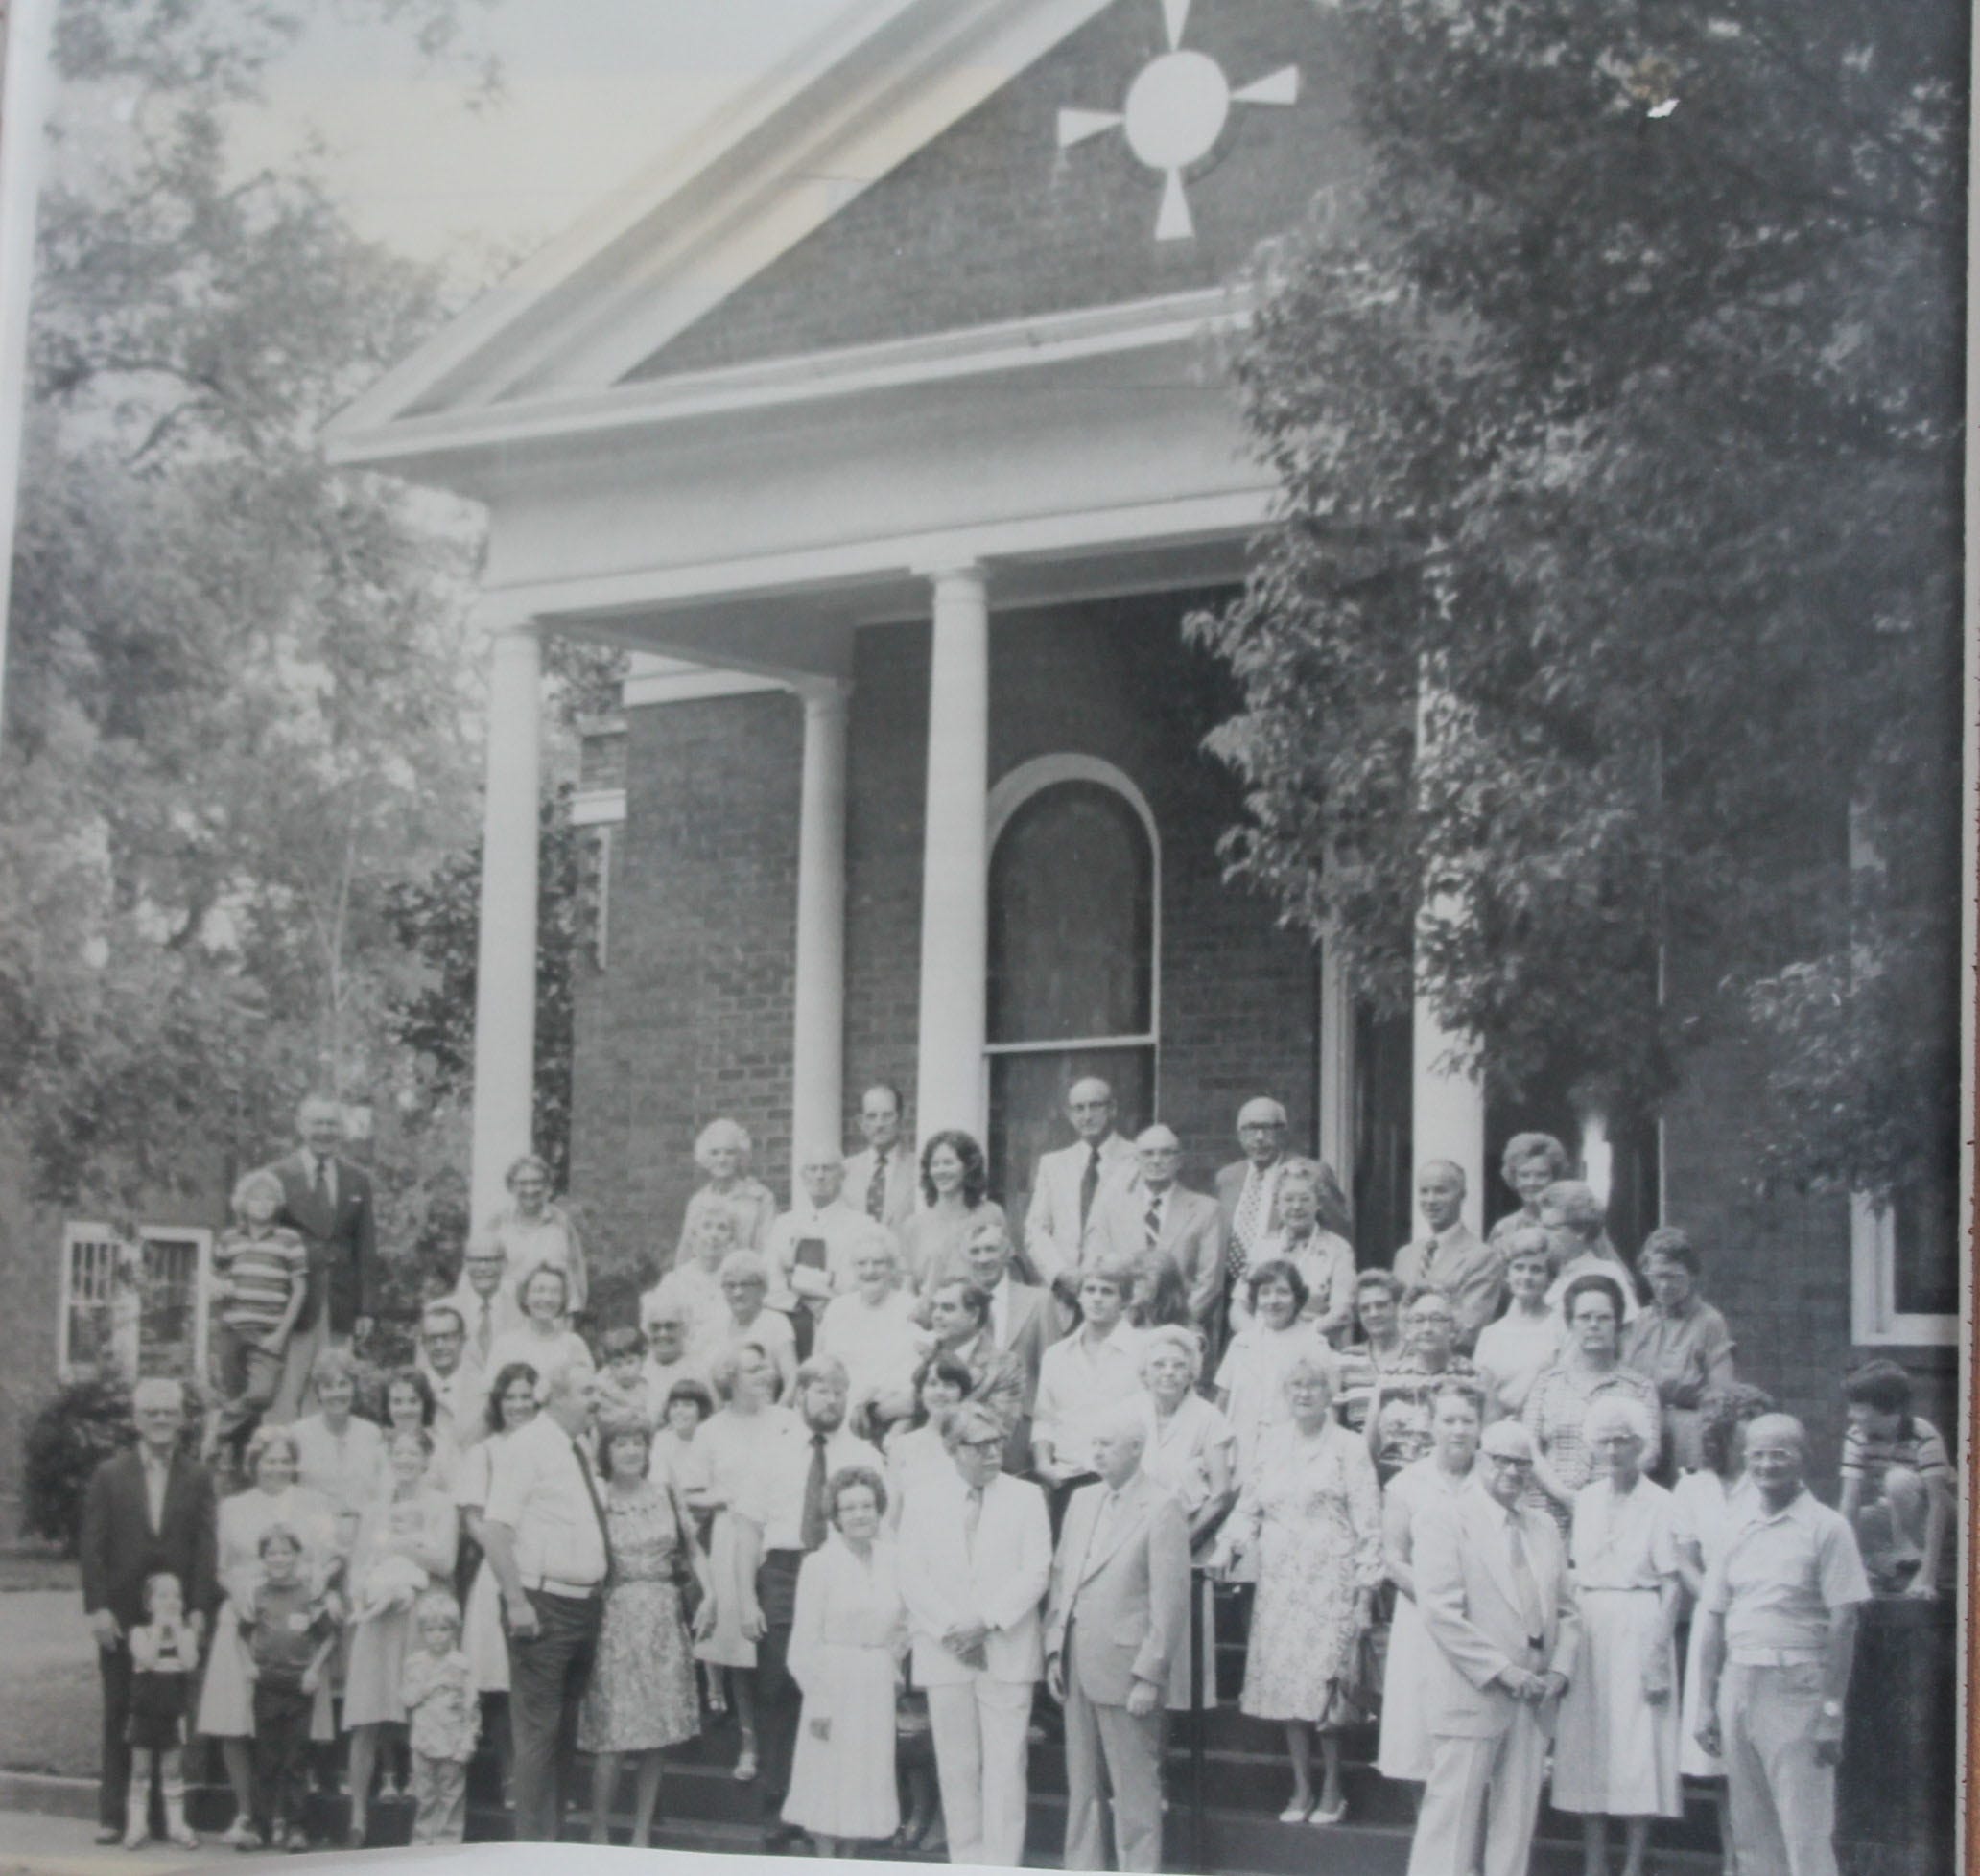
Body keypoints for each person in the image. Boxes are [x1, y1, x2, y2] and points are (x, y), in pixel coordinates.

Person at [1210, 1348, 1381, 1825]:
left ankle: (1332, 1787)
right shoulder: (1272, 1442)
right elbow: (1248, 1508)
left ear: (1330, 1393)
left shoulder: (1348, 1446)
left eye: (1313, 1385)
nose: (1304, 1394)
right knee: (1289, 1689)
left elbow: (1369, 1523)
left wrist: (1365, 1593)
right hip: (1281, 1582)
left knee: (1325, 1688)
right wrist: (1228, 1547)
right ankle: (1301, 1787)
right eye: (1295, 1386)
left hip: (1332, 1581)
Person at [1693, 1415, 1871, 1876]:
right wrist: (1704, 1705)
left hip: (1797, 1686)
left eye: (1779, 1454)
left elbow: (1844, 1622)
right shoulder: (1734, 1526)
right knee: (1752, 1835)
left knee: (1804, 1833)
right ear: (1745, 1458)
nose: (1767, 1464)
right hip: (1739, 1683)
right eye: (1757, 1454)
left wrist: (1831, 1712)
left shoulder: (1827, 1528)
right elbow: (1712, 1616)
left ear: (1802, 1459)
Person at [1403, 1420, 1580, 1876]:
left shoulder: (1542, 1527)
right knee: (1452, 1824)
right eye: (1502, 1459)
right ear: (1481, 1459)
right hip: (1474, 1691)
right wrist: (1504, 1671)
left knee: (1515, 1828)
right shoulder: (1443, 1518)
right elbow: (1441, 1612)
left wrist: (1558, 1671)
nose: (1513, 1471)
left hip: (1534, 1695)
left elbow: (1567, 1610)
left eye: (1522, 1463)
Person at [734, 1355, 883, 1851]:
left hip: (840, 1569)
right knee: (779, 1687)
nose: (831, 1399)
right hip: (781, 1572)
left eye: (839, 1391)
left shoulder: (863, 1453)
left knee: (836, 1692)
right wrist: (744, 1598)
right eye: (821, 1390)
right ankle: (782, 1808)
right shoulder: (769, 1450)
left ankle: (833, 1806)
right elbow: (747, 1527)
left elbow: (881, 1527)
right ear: (800, 1396)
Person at [898, 1401, 1053, 1869]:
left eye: (997, 1443)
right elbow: (911, 1574)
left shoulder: (1027, 1497)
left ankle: (1002, 1864)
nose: (992, 1453)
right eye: (980, 1445)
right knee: (957, 1767)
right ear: (952, 1448)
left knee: (1006, 1769)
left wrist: (984, 1622)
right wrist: (952, 1630)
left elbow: (1036, 1570)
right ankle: (965, 1862)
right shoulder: (923, 1499)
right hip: (946, 1653)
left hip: (1005, 1649)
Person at [1043, 1405, 1190, 1873]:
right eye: (1096, 1444)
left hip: (1127, 1670)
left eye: (1108, 1444)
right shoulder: (1083, 1500)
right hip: (1076, 1663)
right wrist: (1053, 1649)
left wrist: (1150, 1673)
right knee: (1081, 1789)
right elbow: (1063, 1575)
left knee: (1134, 1791)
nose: (1098, 1453)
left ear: (1136, 1448)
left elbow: (1170, 1602)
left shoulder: (1163, 1506)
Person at [79, 1376, 218, 1847]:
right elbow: (92, 1548)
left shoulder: (197, 1477)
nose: (161, 1421)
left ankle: (163, 1816)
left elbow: (205, 1549)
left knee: (170, 1710)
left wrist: (199, 1612)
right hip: (121, 1613)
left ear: (182, 1420)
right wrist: (97, 1608)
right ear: (137, 1420)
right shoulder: (110, 1475)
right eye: (152, 1413)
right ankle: (114, 1814)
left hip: (176, 1618)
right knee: (121, 1706)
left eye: (169, 1412)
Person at [1552, 1395, 1684, 1876]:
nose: (1612, 1450)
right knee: (1588, 1738)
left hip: (1639, 1621)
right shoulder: (1584, 1499)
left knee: (1636, 1743)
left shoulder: (1662, 1502)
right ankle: (1594, 1862)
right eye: (1604, 1440)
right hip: (1589, 1625)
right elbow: (1572, 1573)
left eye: (1622, 1440)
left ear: (1640, 1445)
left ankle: (1632, 1864)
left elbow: (1671, 1583)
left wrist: (1656, 1653)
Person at [481, 1360, 609, 1843]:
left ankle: (551, 1848)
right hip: (543, 1607)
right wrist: (517, 1602)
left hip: (582, 1608)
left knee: (562, 1738)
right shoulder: (526, 1447)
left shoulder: (579, 1448)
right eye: (586, 1390)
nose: (596, 1398)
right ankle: (531, 1854)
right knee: (537, 1738)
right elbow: (495, 1530)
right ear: (555, 1397)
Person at [194, 1426, 340, 1849]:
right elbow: (221, 1566)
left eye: (283, 1460)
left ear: (294, 1463)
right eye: (267, 1460)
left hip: (295, 1619)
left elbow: (330, 1559)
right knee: (236, 1719)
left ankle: (288, 1819)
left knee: (293, 1728)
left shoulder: (315, 1504)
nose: (276, 1468)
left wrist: (317, 1585)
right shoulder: (234, 1507)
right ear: (253, 1464)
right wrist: (236, 1592)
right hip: (245, 1615)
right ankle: (248, 1813)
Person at [578, 1416, 715, 1846]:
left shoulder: (664, 1494)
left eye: (638, 1442)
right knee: (613, 1733)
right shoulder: (598, 1501)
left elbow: (694, 1550)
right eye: (621, 1443)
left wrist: (710, 1594)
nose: (631, 1451)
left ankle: (640, 1834)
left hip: (663, 1615)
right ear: (607, 1451)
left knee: (658, 1731)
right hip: (617, 1620)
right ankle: (599, 1832)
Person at [781, 1466, 909, 1854]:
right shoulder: (819, 1565)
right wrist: (819, 1702)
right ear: (835, 1516)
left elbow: (905, 1621)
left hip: (875, 1681)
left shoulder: (894, 1559)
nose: (860, 1515)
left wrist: (893, 1666)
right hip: (832, 1683)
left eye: (867, 1505)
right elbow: (803, 1644)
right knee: (826, 1775)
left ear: (879, 1509)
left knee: (864, 1779)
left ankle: (850, 1859)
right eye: (849, 1507)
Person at [1673, 1383, 1775, 1873]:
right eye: (1744, 1422)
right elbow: (1684, 1558)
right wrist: (1715, 1602)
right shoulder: (1694, 1486)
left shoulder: (1773, 1482)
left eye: (1758, 1419)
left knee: (1755, 1753)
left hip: (1761, 1624)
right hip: (1714, 1632)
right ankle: (1732, 1862)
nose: (1752, 1432)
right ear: (1722, 1431)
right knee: (1718, 1759)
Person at [343, 1426, 458, 1848]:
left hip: (420, 1613)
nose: (405, 1459)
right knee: (366, 1715)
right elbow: (358, 1563)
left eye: (414, 1453)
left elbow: (444, 1562)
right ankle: (356, 1816)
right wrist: (365, 1590)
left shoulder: (441, 1506)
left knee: (423, 1713)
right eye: (398, 1452)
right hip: (379, 1615)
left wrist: (398, 1548)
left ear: (427, 1460)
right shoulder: (375, 1510)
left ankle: (426, 1821)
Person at [1377, 1382, 1484, 1791]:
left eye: (1467, 1421)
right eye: (1449, 1420)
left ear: (1480, 1427)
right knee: (1420, 1738)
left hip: (1483, 1621)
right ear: (1432, 1425)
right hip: (1422, 1620)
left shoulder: (1495, 1479)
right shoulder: (1407, 1483)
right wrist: (1438, 1604)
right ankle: (1432, 1847)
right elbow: (1394, 1558)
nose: (1458, 1430)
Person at [693, 1342, 791, 1781]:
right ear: (730, 1379)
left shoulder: (787, 1423)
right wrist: (728, 1497)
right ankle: (749, 1742)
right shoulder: (712, 1429)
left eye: (766, 1366)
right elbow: (690, 1492)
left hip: (781, 1536)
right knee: (738, 1643)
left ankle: (784, 1742)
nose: (766, 1374)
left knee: (779, 1639)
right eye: (754, 1369)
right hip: (732, 1535)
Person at [1134, 1326, 1237, 1712]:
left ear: (1192, 1373)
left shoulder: (1209, 1418)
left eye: (1179, 1365)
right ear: (1144, 1371)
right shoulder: (1128, 1412)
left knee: (1179, 1658)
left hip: (1187, 1546)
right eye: (1159, 1364)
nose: (1168, 1372)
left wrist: (1178, 1545)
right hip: (1133, 1550)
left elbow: (1221, 1494)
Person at [455, 1361, 539, 1798]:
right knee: (504, 1682)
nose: (519, 1405)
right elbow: (472, 1519)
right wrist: (504, 1555)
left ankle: (539, 1780)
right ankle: (510, 1778)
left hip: (546, 1569)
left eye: (527, 1397)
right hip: (498, 1572)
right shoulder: (483, 1453)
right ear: (498, 1403)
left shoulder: (554, 1447)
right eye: (511, 1398)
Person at [269, 1095, 382, 1420]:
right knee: (289, 1388)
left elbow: (366, 1246)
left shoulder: (357, 1179)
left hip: (340, 1299)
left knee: (334, 1384)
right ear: (301, 1126)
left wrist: (367, 1308)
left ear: (342, 1130)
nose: (325, 1131)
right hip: (295, 1300)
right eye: (317, 1123)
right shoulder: (278, 1175)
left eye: (332, 1124)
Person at [1524, 1273, 1662, 1534]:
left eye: (1603, 1317)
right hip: (1549, 1511)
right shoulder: (1547, 1383)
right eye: (1584, 1317)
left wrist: (1602, 1498)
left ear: (1618, 1324)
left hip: (1618, 1514)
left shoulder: (1639, 1388)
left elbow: (1649, 1452)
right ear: (1571, 1324)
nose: (1594, 1325)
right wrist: (1566, 1496)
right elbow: (1530, 1448)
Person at [239, 1524, 340, 1854]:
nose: (279, 1559)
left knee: (296, 1759)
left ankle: (296, 1827)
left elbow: (329, 1636)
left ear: (297, 1556)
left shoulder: (308, 1595)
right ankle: (260, 1827)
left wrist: (313, 1670)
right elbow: (242, 1634)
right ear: (263, 1558)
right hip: (267, 1685)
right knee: (265, 1759)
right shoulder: (258, 1595)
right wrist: (248, 1664)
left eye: (285, 1552)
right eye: (272, 1553)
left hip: (299, 1688)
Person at [1215, 1099, 1352, 1337]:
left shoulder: (1312, 1173)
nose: (1259, 1137)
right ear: (1239, 1134)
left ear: (1283, 1132)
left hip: (1301, 1309)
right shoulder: (1227, 1178)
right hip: (1243, 1305)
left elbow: (1337, 1236)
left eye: (1267, 1128)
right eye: (1250, 1129)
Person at [1032, 1259, 1148, 1530]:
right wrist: (1042, 1463)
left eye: (1107, 1291)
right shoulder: (1056, 1355)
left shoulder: (1143, 1351)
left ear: (1124, 1300)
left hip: (1121, 1482)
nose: (1097, 1298)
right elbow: (1044, 1418)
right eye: (1090, 1290)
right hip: (1066, 1479)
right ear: (1079, 1296)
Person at [206, 1168, 309, 1463]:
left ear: (277, 1204)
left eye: (269, 1198)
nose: (262, 1204)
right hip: (232, 1331)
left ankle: (218, 1426)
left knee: (261, 1395)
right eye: (255, 1198)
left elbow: (299, 1290)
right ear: (243, 1203)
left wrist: (281, 1334)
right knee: (243, 1407)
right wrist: (217, 1294)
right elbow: (214, 1279)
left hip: (268, 1334)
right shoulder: (229, 1239)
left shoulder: (288, 1240)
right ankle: (241, 1472)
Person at [1836, 1357, 1955, 1598]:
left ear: (1888, 1409)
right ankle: (1895, 1565)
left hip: (1948, 1515)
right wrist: (1845, 1568)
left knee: (1897, 1480)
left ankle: (1927, 1567)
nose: (1850, 1415)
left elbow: (1938, 1504)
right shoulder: (1856, 1436)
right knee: (1847, 1522)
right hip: (1899, 1514)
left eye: (1859, 1407)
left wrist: (1927, 1577)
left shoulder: (1923, 1435)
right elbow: (1849, 1502)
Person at [1623, 1227, 1737, 1474]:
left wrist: (1707, 1445)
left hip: (1688, 1437)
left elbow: (1721, 1395)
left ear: (1692, 1275)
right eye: (1656, 1276)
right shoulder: (1642, 1321)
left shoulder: (1709, 1322)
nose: (1663, 1286)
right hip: (1642, 1433)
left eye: (1674, 1277)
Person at [1094, 1124, 1225, 1335]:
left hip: (1182, 1333)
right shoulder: (1111, 1210)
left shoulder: (1206, 1210)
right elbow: (1102, 1272)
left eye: (1166, 1153)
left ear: (1179, 1160)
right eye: (1148, 1153)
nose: (1156, 1160)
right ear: (1136, 1160)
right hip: (1123, 1331)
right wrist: (1125, 1330)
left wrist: (1175, 1330)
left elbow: (1209, 1284)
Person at [1214, 1258, 1331, 1480]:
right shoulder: (1242, 1343)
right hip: (1242, 1451)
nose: (1273, 1301)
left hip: (1293, 1454)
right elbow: (1222, 1402)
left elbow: (1327, 1409)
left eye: (1282, 1292)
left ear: (1297, 1297)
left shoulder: (1315, 1344)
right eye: (1265, 1293)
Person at [1024, 1078, 1140, 1300]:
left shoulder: (1137, 1159)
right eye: (1079, 1108)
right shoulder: (1053, 1164)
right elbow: (1036, 1229)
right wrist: (1060, 1273)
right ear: (1069, 1114)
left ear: (1112, 1109)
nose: (1087, 1116)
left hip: (1114, 1295)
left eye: (1095, 1106)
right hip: (1063, 1295)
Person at [119, 1570, 202, 1849]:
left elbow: (190, 1662)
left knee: (172, 1770)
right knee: (140, 1769)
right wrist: (158, 1629)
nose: (171, 1601)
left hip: (173, 1715)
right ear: (148, 1603)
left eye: (177, 1595)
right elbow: (149, 1659)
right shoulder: (139, 1633)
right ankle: (136, 1825)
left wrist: (178, 1630)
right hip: (144, 1714)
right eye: (163, 1595)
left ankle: (177, 1826)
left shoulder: (186, 1635)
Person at [815, 1228, 927, 1436]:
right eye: (861, 1263)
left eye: (878, 1263)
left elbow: (919, 1375)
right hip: (838, 1412)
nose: (869, 1270)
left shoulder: (911, 1308)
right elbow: (817, 1366)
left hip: (891, 1417)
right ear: (852, 1268)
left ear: (893, 1268)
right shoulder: (837, 1308)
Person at [1364, 1288, 1482, 1484]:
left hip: (1454, 1491)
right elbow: (1368, 1448)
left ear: (1453, 1327)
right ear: (1407, 1329)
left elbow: (1489, 1452)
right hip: (1394, 1489)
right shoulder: (1388, 1379)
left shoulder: (1475, 1379)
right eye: (1418, 1320)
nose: (1427, 1328)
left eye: (1437, 1319)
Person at [1237, 1158, 1355, 1341]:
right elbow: (1238, 1308)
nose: (1296, 1206)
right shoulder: (1262, 1247)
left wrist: (1298, 1339)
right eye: (1289, 1199)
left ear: (1319, 1203)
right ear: (1277, 1204)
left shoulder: (1338, 1248)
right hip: (1263, 1348)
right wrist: (1258, 1337)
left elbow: (1342, 1313)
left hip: (1315, 1346)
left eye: (1305, 1199)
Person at [1393, 1160, 1505, 1351]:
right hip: (1399, 1367)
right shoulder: (1405, 1256)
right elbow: (1391, 1318)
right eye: (1424, 1191)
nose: (1430, 1200)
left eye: (1440, 1191)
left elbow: (1469, 1328)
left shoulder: (1482, 1257)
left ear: (1462, 1195)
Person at [290, 1345, 385, 1569]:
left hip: (363, 1539)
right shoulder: (298, 1434)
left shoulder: (372, 1434)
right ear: (318, 1392)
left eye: (344, 1384)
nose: (337, 1393)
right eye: (328, 1386)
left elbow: (381, 1495)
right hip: (314, 1541)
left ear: (354, 1388)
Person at [398, 1588, 479, 1847]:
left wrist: (468, 1741)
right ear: (422, 1632)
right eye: (431, 1630)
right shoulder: (414, 1664)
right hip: (423, 1741)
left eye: (444, 1629)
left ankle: (447, 1845)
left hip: (452, 1742)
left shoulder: (461, 1665)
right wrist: (427, 1686)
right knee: (425, 1796)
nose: (437, 1636)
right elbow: (408, 1699)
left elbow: (471, 1706)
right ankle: (422, 1843)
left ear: (454, 1630)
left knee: (451, 1797)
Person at [767, 1146, 871, 1335]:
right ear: (802, 1176)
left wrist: (794, 1277)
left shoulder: (862, 1226)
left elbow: (851, 1284)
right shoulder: (784, 1225)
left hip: (843, 1325)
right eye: (813, 1169)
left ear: (842, 1175)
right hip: (790, 1324)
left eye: (828, 1169)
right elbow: (772, 1281)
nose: (820, 1175)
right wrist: (826, 1283)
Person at [904, 1130, 1009, 1298]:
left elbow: (1004, 1274)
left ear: (968, 1167)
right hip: (932, 1317)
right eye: (935, 1164)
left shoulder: (991, 1214)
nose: (941, 1170)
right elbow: (908, 1286)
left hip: (979, 1315)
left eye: (948, 1163)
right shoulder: (914, 1225)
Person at [483, 1263, 594, 1420]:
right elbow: (491, 1400)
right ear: (525, 1296)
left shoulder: (574, 1344)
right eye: (539, 1290)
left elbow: (587, 1398)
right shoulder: (505, 1344)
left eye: (555, 1292)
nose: (547, 1298)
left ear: (563, 1299)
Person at [483, 1152, 589, 1316]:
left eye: (536, 1182)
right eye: (522, 1183)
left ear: (547, 1186)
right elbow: (480, 1267)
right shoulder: (498, 1224)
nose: (530, 1189)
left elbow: (576, 1271)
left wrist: (575, 1311)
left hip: (552, 1313)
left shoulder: (561, 1223)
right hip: (508, 1313)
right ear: (511, 1186)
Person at [1472, 1228, 1562, 1419]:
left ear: (1550, 1279)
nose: (1526, 1277)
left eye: (1536, 1269)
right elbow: (1481, 1394)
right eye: (1519, 1267)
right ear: (1507, 1275)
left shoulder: (1560, 1327)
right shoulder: (1490, 1334)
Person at [883, 1353, 977, 1529]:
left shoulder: (974, 1442)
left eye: (949, 1385)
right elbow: (893, 1511)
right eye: (932, 1384)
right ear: (921, 1392)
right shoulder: (904, 1445)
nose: (940, 1392)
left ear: (962, 1392)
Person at [673, 1117, 778, 1268]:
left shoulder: (760, 1199)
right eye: (715, 1153)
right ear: (705, 1158)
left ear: (740, 1157)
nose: (722, 1159)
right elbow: (685, 1255)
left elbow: (768, 1255)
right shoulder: (698, 1202)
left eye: (729, 1152)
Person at [1542, 1181, 1642, 1322]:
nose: (1544, 1236)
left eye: (1553, 1229)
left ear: (1581, 1230)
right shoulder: (1548, 1272)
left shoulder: (1606, 1273)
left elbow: (1628, 1332)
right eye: (1543, 1227)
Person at [644, 1209, 737, 1360]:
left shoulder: (739, 1282)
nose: (713, 1235)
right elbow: (658, 1332)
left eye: (722, 1228)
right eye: (707, 1226)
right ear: (693, 1237)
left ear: (731, 1240)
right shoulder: (674, 1282)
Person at [707, 1250, 801, 1397]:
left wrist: (781, 1413)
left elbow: (792, 1379)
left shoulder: (776, 1323)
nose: (737, 1293)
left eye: (745, 1285)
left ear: (762, 1288)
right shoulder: (716, 1323)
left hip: (763, 1411)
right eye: (730, 1286)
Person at [1334, 1269, 1411, 1433]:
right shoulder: (1348, 1359)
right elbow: (1335, 1422)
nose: (1373, 1313)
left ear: (1397, 1306)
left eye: (1381, 1305)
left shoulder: (1416, 1355)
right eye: (1365, 1308)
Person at [844, 1081, 919, 1235]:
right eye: (872, 1116)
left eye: (887, 1116)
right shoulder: (844, 1171)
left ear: (900, 1118)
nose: (879, 1124)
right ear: (861, 1122)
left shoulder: (919, 1168)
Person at [1485, 1132, 1572, 1258]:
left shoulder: (1573, 1222)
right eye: (1524, 1175)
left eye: (1541, 1175)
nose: (1532, 1183)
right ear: (1514, 1178)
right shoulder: (1503, 1228)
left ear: (1555, 1177)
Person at [415, 1305, 482, 1465]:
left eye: (448, 1337)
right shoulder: (413, 1389)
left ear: (463, 1339)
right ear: (422, 1343)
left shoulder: (484, 1388)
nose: (439, 1346)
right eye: (432, 1338)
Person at [448, 1241, 524, 1375]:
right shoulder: (443, 1310)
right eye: (476, 1260)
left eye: (490, 1260)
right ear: (465, 1265)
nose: (483, 1267)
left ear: (504, 1264)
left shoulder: (523, 1312)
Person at [638, 1300, 711, 1407]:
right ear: (646, 1330)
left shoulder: (700, 1371)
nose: (662, 1334)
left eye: (670, 1326)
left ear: (685, 1329)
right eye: (655, 1327)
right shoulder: (635, 1368)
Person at [595, 1325, 659, 1431]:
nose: (624, 1370)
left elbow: (653, 1419)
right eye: (617, 1365)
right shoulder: (604, 1389)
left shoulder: (647, 1388)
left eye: (630, 1362)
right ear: (609, 1366)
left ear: (642, 1359)